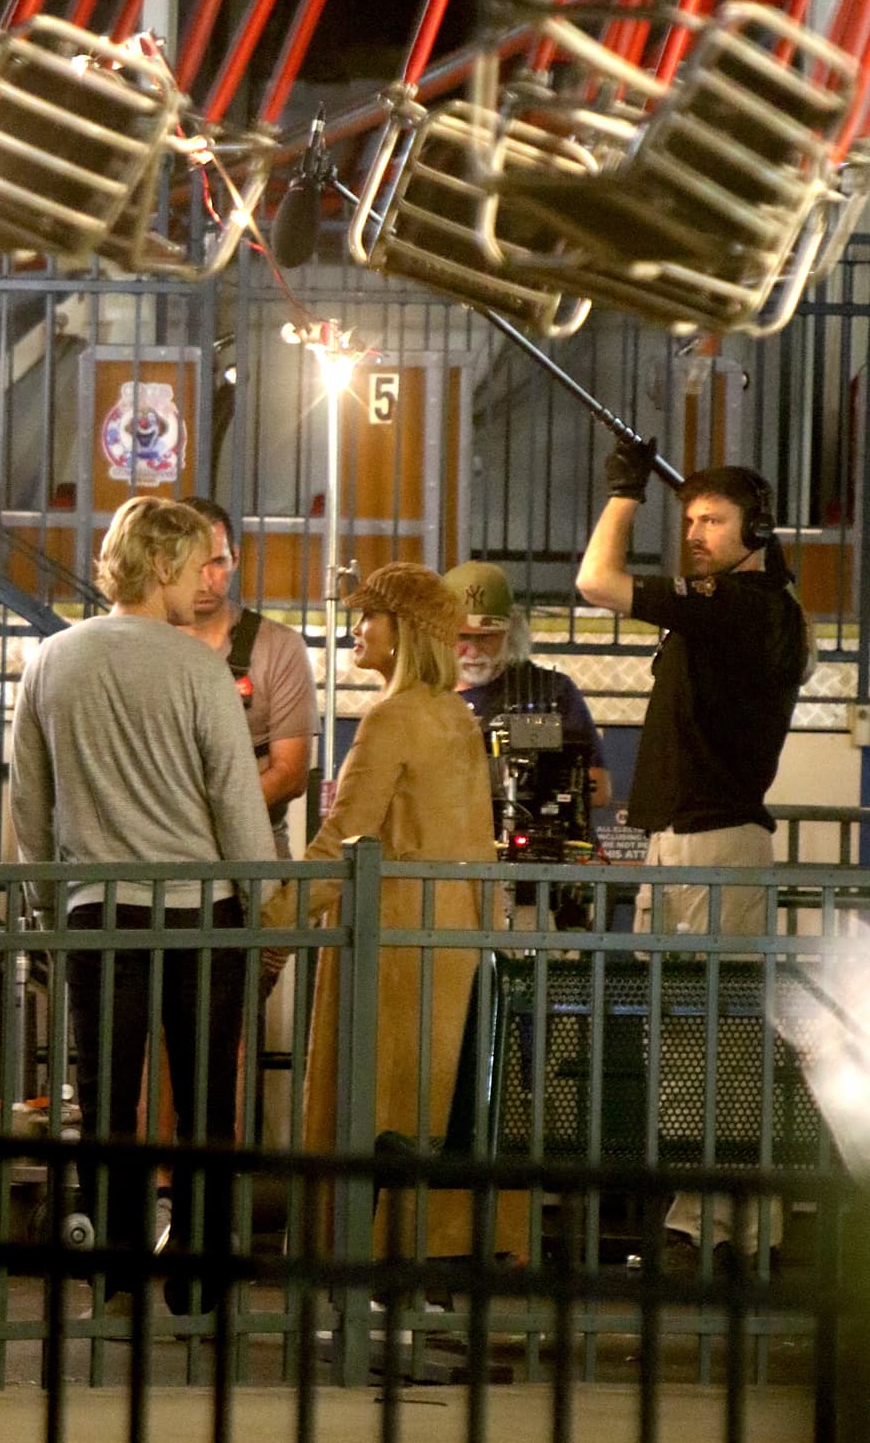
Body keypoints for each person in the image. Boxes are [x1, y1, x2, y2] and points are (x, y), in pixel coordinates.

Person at [10, 496, 277, 1314]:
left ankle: (118, 1270)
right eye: (201, 563)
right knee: (205, 1106)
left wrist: (46, 917)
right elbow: (239, 807)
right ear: (163, 567)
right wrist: (269, 916)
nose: (211, 580)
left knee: (108, 1102)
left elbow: (31, 810)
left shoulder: (51, 661)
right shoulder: (199, 666)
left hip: (96, 913)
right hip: (203, 915)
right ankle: (197, 1276)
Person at [576, 449, 808, 1267]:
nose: (697, 535)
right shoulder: (742, 604)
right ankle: (728, 1224)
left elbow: (596, 582)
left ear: (756, 532)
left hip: (713, 843)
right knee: (692, 1040)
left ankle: (711, 1225)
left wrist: (622, 493)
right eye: (690, 521)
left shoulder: (743, 603)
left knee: (715, 1040)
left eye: (714, 521)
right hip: (686, 840)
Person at [262, 563, 526, 1260]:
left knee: (377, 1117)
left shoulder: (390, 718)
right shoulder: (453, 714)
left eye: (370, 616)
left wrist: (265, 926)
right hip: (455, 945)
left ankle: (366, 1276)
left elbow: (339, 849)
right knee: (436, 1116)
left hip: (394, 955)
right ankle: (424, 1268)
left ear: (404, 630)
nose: (357, 627)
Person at [180, 497, 318, 858]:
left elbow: (291, 773)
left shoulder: (278, 647)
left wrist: (205, 818)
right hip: (163, 853)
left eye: (217, 562)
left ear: (235, 558)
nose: (206, 580)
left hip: (256, 848)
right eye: (193, 565)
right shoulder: (145, 645)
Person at [443, 559, 611, 811]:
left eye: (487, 637)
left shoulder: (553, 691)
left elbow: (599, 788)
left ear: (511, 633)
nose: (474, 650)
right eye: (462, 637)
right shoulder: (423, 696)